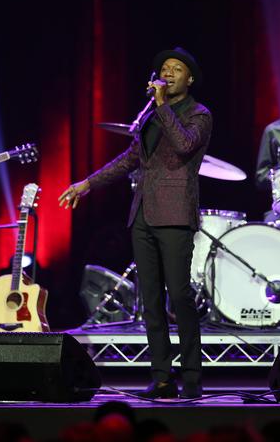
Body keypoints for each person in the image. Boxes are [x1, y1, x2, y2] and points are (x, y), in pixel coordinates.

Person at [59, 47, 212, 399]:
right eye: (164, 69)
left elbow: (185, 144)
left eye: (176, 70)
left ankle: (192, 376)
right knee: (151, 300)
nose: (168, 73)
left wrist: (161, 106)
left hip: (174, 214)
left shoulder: (199, 114)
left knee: (180, 296)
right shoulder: (152, 116)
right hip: (142, 213)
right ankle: (162, 377)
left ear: (189, 79)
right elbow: (131, 158)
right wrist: (87, 183)